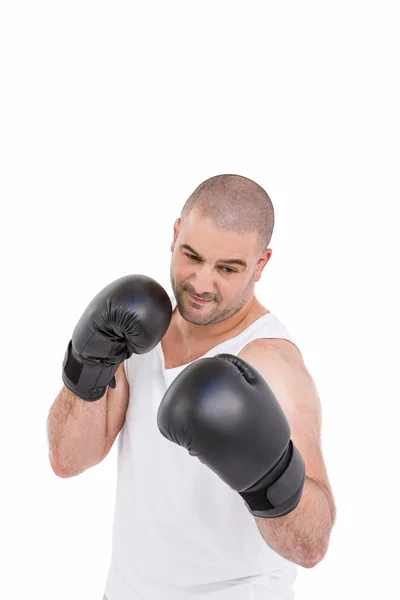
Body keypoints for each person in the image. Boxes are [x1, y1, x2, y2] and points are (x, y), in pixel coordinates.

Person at [47, 174, 336, 600]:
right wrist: (87, 365)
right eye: (191, 256)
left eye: (227, 268)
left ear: (261, 264)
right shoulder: (139, 330)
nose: (200, 284)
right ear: (175, 234)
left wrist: (268, 473)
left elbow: (312, 546)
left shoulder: (272, 364)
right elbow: (68, 460)